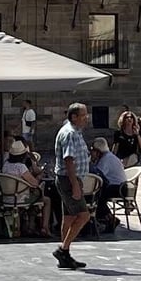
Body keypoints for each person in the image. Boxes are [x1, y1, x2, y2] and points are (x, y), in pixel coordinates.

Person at [53, 102, 91, 270]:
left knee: (69, 217)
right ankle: (63, 249)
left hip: (70, 179)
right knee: (84, 216)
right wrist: (75, 184)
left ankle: (65, 256)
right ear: (74, 117)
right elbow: (69, 160)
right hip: (69, 179)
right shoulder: (70, 133)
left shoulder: (75, 131)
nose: (86, 118)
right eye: (83, 115)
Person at [2, 139, 52, 237]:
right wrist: (39, 176)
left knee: (34, 196)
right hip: (20, 198)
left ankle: (30, 226)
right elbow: (34, 183)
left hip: (7, 197)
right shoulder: (21, 167)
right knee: (47, 200)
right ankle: (45, 227)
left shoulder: (5, 165)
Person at [90, 137, 127, 231]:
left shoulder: (106, 159)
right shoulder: (108, 157)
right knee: (98, 196)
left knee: (96, 197)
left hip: (118, 188)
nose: (91, 152)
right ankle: (108, 217)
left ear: (98, 150)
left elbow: (99, 176)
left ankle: (108, 218)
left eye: (93, 150)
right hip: (119, 186)